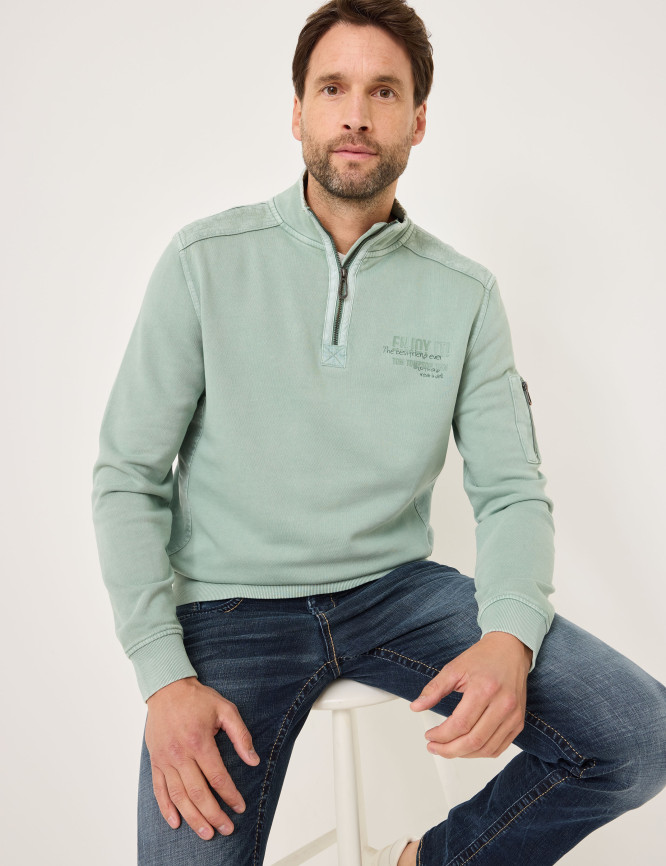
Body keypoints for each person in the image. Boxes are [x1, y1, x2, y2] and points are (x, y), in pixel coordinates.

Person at [90, 2, 666, 864]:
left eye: (384, 92)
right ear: (298, 112)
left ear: (418, 120)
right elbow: (127, 475)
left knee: (637, 734)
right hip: (230, 608)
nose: (356, 114)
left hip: (395, 592)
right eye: (333, 88)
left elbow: (511, 491)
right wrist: (162, 676)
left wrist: (509, 635)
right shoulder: (203, 261)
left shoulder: (465, 294)